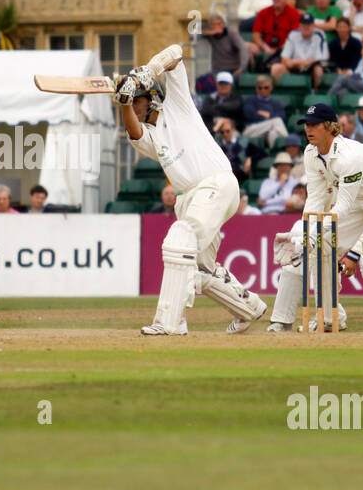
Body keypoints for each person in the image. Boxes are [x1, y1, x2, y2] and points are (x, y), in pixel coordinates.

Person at [114, 44, 267, 335]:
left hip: (216, 183)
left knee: (180, 241)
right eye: (131, 103)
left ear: (151, 97)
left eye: (137, 101)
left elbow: (175, 51)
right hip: (189, 198)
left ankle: (171, 323)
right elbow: (133, 131)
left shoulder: (178, 105)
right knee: (200, 267)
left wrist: (149, 70)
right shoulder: (148, 136)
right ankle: (249, 308)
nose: (134, 107)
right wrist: (123, 102)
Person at [265, 102, 363, 333]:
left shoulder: (349, 156)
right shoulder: (311, 153)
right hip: (356, 196)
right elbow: (314, 199)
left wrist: (312, 233)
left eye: (314, 125)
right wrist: (306, 234)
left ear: (329, 127)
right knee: (323, 245)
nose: (308, 129)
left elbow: (343, 205)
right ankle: (328, 316)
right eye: (306, 125)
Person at [193, 14, 249, 90]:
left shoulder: (231, 32)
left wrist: (242, 68)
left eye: (219, 24)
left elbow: (243, 48)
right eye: (214, 24)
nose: (217, 26)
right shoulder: (210, 34)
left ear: (223, 24)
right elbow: (191, 37)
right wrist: (205, 33)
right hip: (217, 70)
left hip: (234, 69)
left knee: (230, 82)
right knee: (200, 82)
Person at [272, 13, 327, 89]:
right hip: (294, 69)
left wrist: (296, 62)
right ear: (300, 26)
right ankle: (286, 93)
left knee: (318, 70)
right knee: (276, 68)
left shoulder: (320, 35)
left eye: (309, 25)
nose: (306, 27)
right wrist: (297, 64)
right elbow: (284, 59)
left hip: (310, 70)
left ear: (313, 26)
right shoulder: (293, 34)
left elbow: (320, 61)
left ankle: (314, 94)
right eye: (304, 24)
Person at [250, 0, 298, 69]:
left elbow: (295, 37)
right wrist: (265, 48)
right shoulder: (263, 13)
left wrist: (280, 49)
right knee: (247, 46)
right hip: (265, 47)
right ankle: (251, 72)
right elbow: (256, 35)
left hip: (285, 49)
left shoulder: (294, 14)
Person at [241, 74, 290, 146]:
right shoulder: (250, 100)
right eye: (260, 88)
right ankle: (289, 143)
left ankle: (274, 154)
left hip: (268, 131)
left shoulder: (276, 103)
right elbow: (249, 115)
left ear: (271, 88)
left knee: (273, 133)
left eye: (266, 87)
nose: (263, 90)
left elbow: (283, 117)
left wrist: (268, 115)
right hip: (251, 130)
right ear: (256, 89)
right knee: (277, 121)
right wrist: (270, 117)